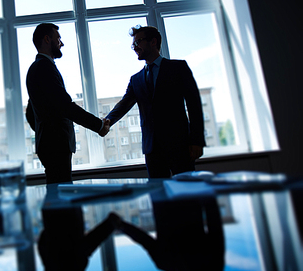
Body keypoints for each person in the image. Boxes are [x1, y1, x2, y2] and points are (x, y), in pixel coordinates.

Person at [105, 25, 205, 178]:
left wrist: (197, 140)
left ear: (153, 42)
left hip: (180, 145)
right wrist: (106, 122)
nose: (134, 47)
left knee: (188, 194)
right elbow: (124, 104)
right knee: (158, 196)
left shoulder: (178, 68)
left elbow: (194, 105)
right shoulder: (136, 79)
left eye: (138, 42)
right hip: (152, 149)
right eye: (133, 44)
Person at [26, 23, 110, 184]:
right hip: (56, 145)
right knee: (62, 197)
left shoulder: (36, 68)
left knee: (58, 192)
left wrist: (43, 131)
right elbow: (65, 106)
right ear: (47, 39)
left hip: (49, 144)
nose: (61, 43)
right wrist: (99, 126)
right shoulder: (44, 68)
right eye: (58, 39)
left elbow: (31, 112)